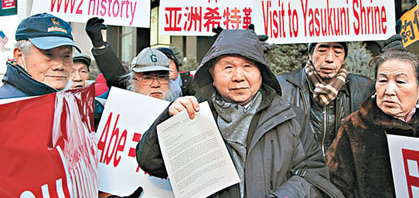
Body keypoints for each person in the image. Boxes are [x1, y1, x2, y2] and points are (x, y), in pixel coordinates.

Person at [136, 29, 343, 198]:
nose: (238, 77)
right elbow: (150, 162)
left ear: (261, 72)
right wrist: (167, 118)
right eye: (227, 67)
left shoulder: (290, 118)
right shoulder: (193, 113)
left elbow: (314, 175)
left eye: (248, 66)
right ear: (212, 73)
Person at [326, 49, 419, 198]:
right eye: (383, 80)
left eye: (400, 81)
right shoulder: (354, 127)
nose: (389, 90)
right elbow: (335, 187)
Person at [277, 42, 374, 154]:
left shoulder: (363, 88)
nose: (329, 59)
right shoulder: (283, 86)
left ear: (344, 58)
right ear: (310, 55)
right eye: (322, 51)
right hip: (301, 168)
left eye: (337, 52)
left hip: (343, 169)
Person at [0, 13, 79, 99]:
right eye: (49, 55)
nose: (59, 65)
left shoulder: (71, 99)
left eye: (66, 56)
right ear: (19, 56)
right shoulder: (6, 105)